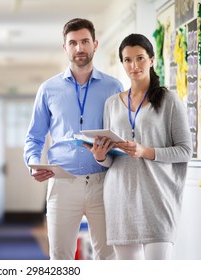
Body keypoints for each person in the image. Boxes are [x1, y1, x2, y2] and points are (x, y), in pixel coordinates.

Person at [23, 18, 123, 260]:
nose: (80, 48)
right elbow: (34, 137)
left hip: (103, 183)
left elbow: (122, 138)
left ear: (95, 44)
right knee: (60, 257)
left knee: (108, 257)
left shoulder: (113, 87)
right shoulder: (48, 89)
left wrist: (109, 151)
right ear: (65, 48)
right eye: (73, 43)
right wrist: (33, 163)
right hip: (62, 184)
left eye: (85, 42)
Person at [85, 33, 192, 259]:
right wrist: (100, 156)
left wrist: (146, 151)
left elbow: (185, 150)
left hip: (157, 197)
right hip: (120, 198)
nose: (134, 65)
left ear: (151, 60)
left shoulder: (169, 100)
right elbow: (110, 159)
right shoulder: (112, 104)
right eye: (127, 60)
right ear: (122, 63)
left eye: (140, 58)